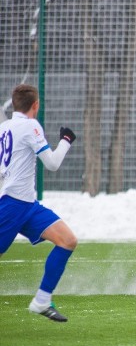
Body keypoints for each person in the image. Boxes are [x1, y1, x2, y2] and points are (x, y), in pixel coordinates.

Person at [0, 84, 77, 322]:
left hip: (26, 205)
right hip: (13, 205)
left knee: (67, 241)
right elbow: (52, 164)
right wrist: (66, 140)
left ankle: (42, 301)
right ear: (36, 105)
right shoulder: (30, 125)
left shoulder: (4, 127)